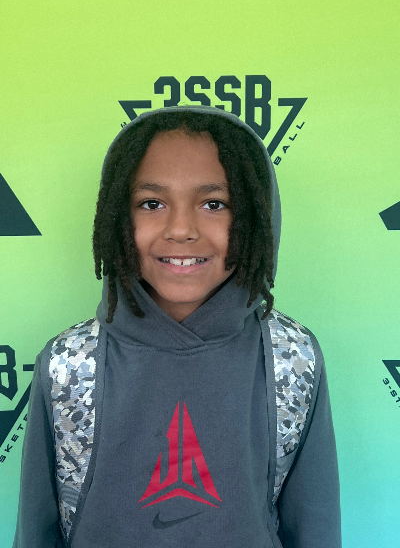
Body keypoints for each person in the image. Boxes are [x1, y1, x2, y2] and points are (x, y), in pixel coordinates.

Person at [13, 106, 341, 548]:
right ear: (117, 218)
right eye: (152, 204)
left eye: (214, 204)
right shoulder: (68, 363)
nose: (181, 229)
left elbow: (316, 527)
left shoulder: (292, 357)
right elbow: (36, 531)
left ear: (255, 217)